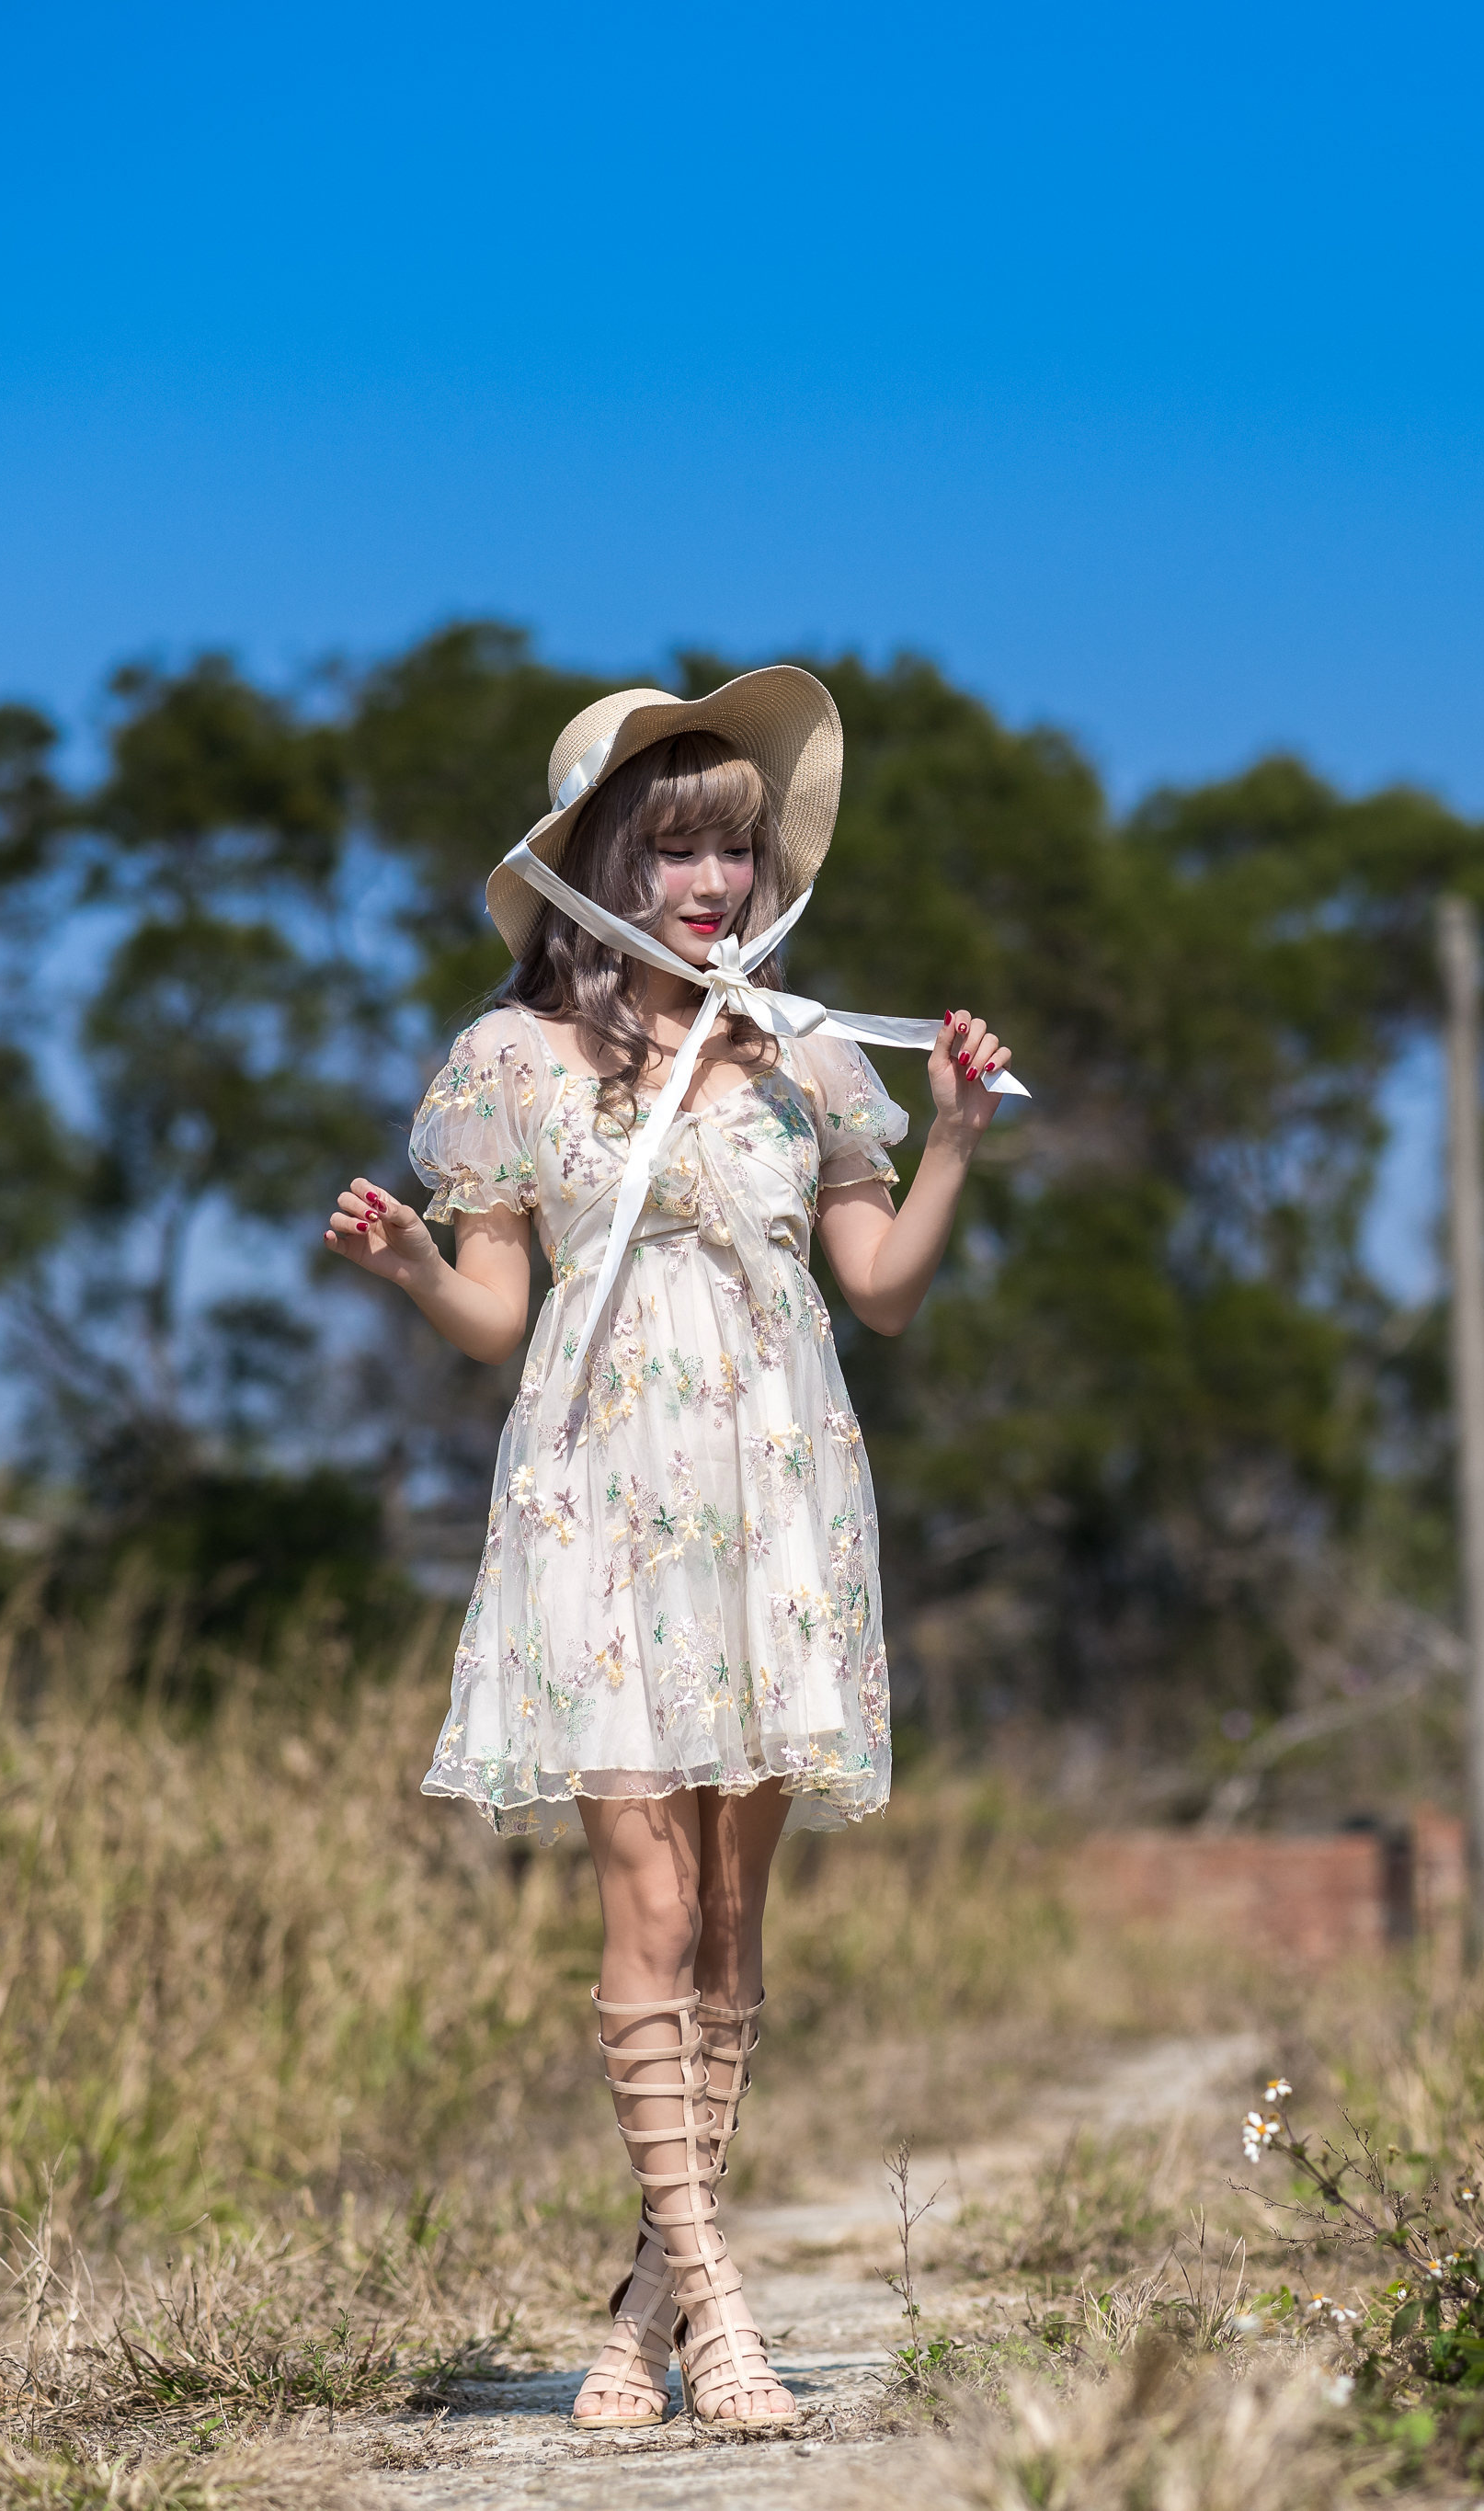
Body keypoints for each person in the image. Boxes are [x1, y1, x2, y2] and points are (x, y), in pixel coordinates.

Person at [320, 668, 1013, 2430]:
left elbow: (885, 1292)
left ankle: (645, 2310)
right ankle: (723, 2307)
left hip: (775, 1491)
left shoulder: (802, 1057)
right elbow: (493, 1314)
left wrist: (950, 1140)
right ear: (598, 861)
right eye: (676, 844)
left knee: (724, 1915)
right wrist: (409, 1260)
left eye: (736, 848)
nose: (712, 879)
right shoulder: (509, 1064)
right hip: (604, 1496)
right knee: (642, 1894)